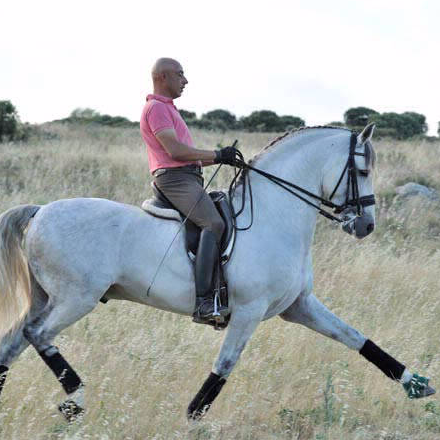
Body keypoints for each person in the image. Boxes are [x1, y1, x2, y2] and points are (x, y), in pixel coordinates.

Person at [140, 58, 237, 322]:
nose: (185, 80)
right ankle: (204, 301)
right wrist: (217, 154)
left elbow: (189, 157)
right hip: (175, 180)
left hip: (187, 177)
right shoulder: (156, 108)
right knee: (213, 224)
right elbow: (175, 151)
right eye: (180, 74)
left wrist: (223, 158)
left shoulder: (167, 108)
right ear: (163, 77)